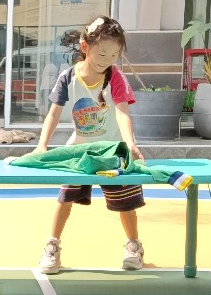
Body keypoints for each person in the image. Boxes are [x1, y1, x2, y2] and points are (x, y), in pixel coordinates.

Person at [33, 16, 145, 274]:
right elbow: (53, 114)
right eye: (102, 54)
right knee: (65, 198)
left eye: (114, 55)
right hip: (81, 151)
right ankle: (52, 246)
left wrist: (130, 143)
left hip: (113, 151)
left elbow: (122, 112)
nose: (107, 60)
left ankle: (134, 246)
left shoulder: (116, 78)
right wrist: (42, 145)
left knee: (126, 202)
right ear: (85, 47)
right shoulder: (68, 77)